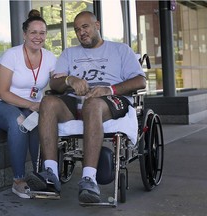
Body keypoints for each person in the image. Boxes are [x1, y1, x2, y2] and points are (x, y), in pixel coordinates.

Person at [25, 11, 146, 203]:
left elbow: (140, 81)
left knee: (92, 104)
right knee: (48, 102)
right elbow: (55, 85)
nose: (81, 32)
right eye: (77, 29)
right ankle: (51, 174)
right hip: (75, 100)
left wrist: (109, 89)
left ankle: (89, 178)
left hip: (111, 100)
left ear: (97, 25)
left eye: (85, 27)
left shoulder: (120, 50)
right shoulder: (69, 53)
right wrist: (68, 79)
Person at [0, 9, 57, 199]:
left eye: (42, 33)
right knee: (20, 122)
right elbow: (2, 91)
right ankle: (18, 181)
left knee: (38, 124)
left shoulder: (50, 57)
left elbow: (58, 82)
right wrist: (32, 104)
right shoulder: (12, 55)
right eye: (33, 32)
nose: (38, 37)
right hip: (0, 105)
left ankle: (40, 176)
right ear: (24, 34)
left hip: (28, 107)